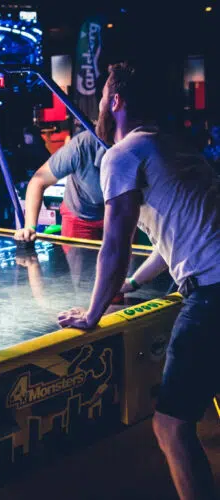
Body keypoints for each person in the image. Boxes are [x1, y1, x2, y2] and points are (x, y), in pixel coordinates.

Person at [58, 61, 220, 500]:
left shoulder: (123, 154)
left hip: (212, 294)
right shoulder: (173, 146)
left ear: (115, 101)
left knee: (170, 426)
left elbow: (116, 243)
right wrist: (127, 286)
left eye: (103, 96)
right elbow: (171, 243)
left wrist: (93, 313)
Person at [14, 130, 105, 242]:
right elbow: (37, 181)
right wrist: (30, 227)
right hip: (79, 217)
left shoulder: (125, 149)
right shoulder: (81, 145)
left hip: (117, 216)